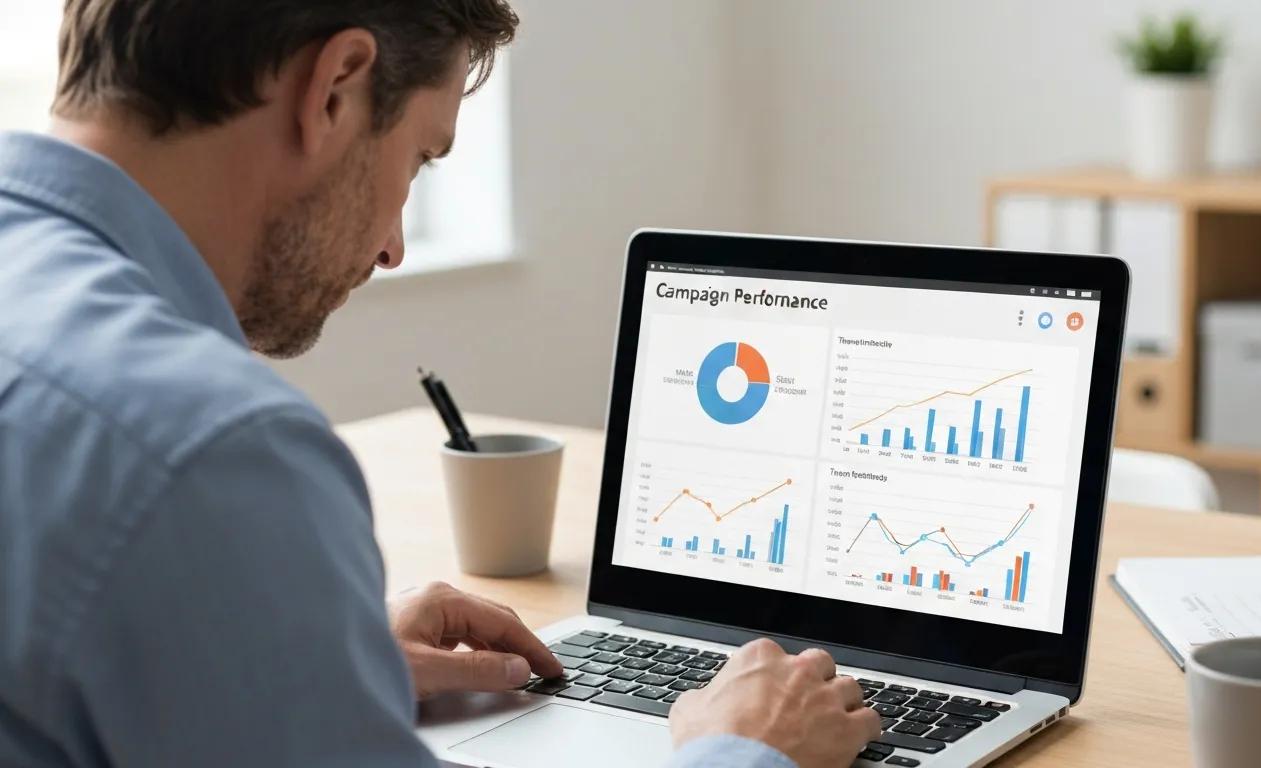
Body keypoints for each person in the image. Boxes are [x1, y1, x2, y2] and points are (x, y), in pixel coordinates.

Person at [0, 1, 881, 767]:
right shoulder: (212, 451)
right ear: (336, 86)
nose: (393, 248)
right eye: (420, 158)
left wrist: (291, 656)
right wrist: (744, 752)